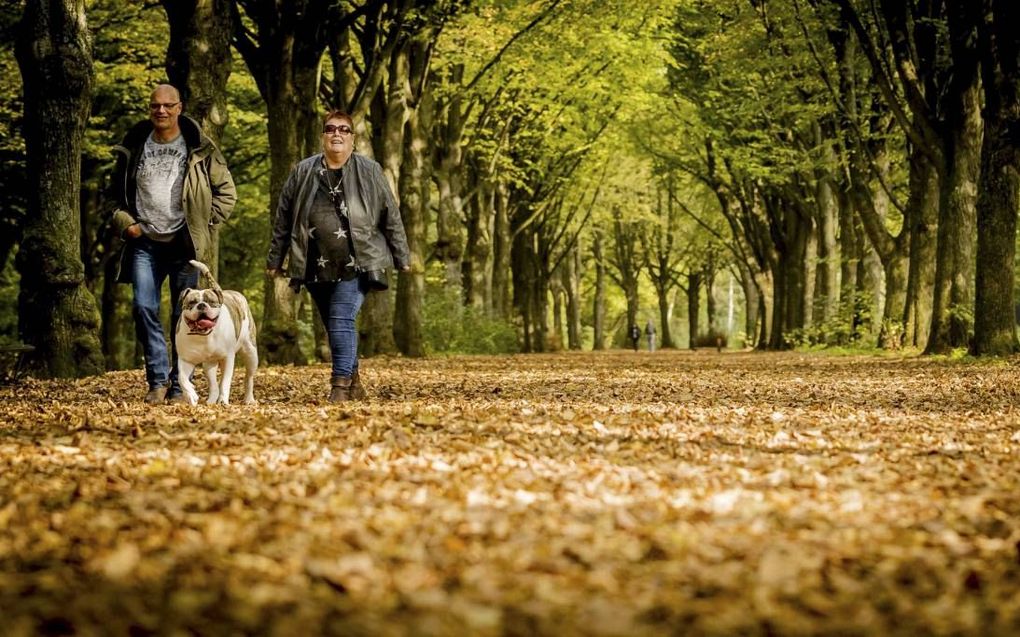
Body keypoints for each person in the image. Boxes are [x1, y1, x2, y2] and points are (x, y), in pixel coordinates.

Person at [266, 110, 411, 402]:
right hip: (313, 262)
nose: (337, 134)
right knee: (334, 324)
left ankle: (340, 386)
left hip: (357, 261)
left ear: (352, 139)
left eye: (344, 130)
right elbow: (284, 216)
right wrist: (275, 258)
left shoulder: (369, 170)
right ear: (322, 136)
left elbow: (390, 213)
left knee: (341, 317)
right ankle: (354, 382)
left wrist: (401, 254)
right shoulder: (303, 171)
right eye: (330, 129)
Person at [106, 84, 236, 405]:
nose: (161, 111)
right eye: (155, 106)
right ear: (149, 109)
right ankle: (156, 380)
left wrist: (201, 225)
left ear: (179, 108)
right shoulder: (133, 146)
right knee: (143, 307)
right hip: (144, 243)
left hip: (184, 245)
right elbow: (111, 198)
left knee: (185, 315)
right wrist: (127, 225)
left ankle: (179, 386)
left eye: (168, 105)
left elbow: (227, 192)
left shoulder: (200, 148)